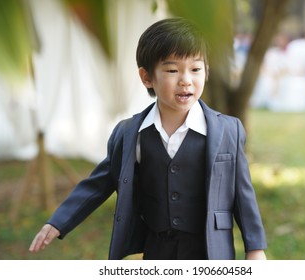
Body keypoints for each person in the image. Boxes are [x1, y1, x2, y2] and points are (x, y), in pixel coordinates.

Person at [29, 17, 267, 260]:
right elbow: (99, 183)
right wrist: (59, 222)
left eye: (195, 69)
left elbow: (242, 194)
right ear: (146, 77)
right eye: (173, 70)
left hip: (210, 250)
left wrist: (255, 248)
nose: (185, 80)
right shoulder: (130, 133)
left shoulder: (228, 130)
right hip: (157, 248)